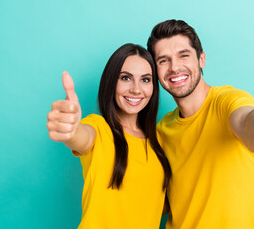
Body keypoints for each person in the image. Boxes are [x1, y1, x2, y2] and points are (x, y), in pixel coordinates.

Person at [147, 20, 254, 229]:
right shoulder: (162, 129)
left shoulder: (228, 101)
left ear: (202, 59)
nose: (174, 67)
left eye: (183, 55)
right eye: (163, 60)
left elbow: (247, 124)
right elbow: (165, 202)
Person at [46, 43, 171, 228]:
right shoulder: (98, 128)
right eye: (126, 78)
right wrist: (70, 128)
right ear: (111, 82)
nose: (136, 89)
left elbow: (156, 205)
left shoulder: (159, 141)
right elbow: (81, 137)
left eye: (145, 80)